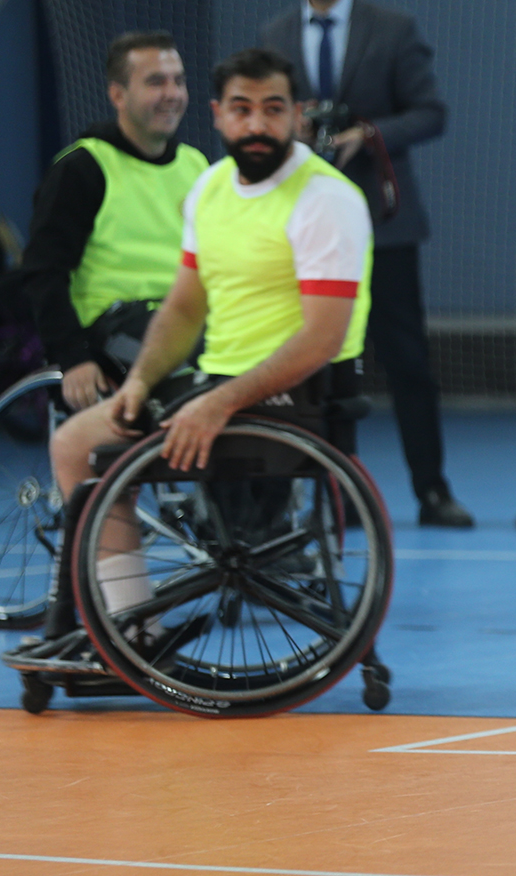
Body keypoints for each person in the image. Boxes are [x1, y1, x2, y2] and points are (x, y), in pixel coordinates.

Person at [49, 47, 373, 637]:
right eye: (242, 109)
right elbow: (184, 306)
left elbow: (322, 338)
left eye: (273, 109)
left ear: (297, 115)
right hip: (220, 382)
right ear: (218, 114)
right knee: (76, 443)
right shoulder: (211, 187)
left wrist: (218, 403)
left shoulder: (326, 199)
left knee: (92, 452)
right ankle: (132, 633)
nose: (257, 124)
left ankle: (124, 635)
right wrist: (141, 381)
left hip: (301, 395)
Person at [261, 0, 473, 528]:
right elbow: (264, 120)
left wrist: (370, 134)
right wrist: (293, 128)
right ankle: (335, 492)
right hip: (305, 226)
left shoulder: (393, 29)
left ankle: (432, 490)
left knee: (408, 363)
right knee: (314, 359)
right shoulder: (276, 34)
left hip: (384, 224)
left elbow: (431, 112)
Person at [19, 31, 208, 411]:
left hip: (184, 317)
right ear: (118, 95)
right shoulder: (82, 168)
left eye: (178, 81)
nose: (172, 93)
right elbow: (43, 273)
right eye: (156, 82)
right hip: (109, 330)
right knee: (202, 373)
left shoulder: (196, 166)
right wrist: (72, 358)